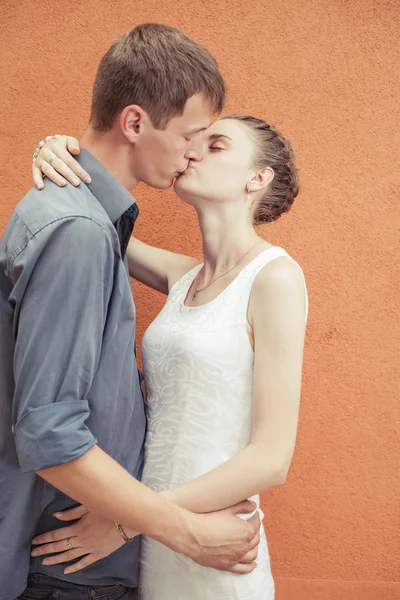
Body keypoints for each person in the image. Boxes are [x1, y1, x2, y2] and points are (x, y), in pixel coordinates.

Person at [0, 24, 261, 600]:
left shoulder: (94, 222)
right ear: (136, 122)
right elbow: (48, 433)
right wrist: (188, 534)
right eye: (194, 134)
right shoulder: (78, 231)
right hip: (67, 570)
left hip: (88, 566)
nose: (195, 151)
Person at [28, 113, 308, 599]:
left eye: (216, 145)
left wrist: (125, 522)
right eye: (194, 141)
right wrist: (56, 148)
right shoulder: (183, 279)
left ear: (257, 178)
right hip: (154, 544)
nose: (193, 151)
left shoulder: (275, 278)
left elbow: (270, 459)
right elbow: (94, 220)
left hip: (212, 544)